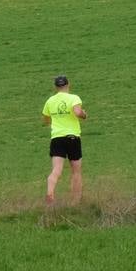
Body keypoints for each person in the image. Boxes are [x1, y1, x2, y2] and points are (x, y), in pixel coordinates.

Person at [41, 74, 88, 205]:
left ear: (56, 87)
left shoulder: (50, 101)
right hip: (72, 137)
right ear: (68, 85)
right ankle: (75, 202)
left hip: (57, 138)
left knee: (56, 170)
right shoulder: (74, 98)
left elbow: (45, 119)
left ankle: (50, 192)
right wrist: (84, 115)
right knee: (76, 171)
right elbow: (78, 112)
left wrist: (54, 123)